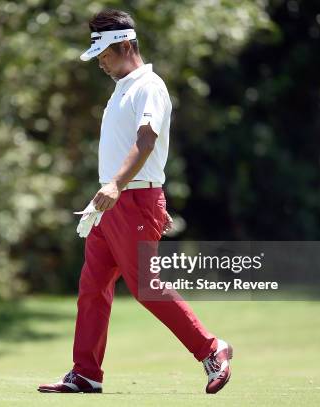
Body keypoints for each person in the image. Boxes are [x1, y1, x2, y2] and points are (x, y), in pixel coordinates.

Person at [38, 9, 232, 395]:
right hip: (111, 200)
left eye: (105, 56)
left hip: (135, 197)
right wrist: (108, 191)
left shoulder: (150, 86)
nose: (101, 65)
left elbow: (145, 142)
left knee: (146, 285)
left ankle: (212, 349)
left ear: (125, 45)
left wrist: (115, 185)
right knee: (92, 286)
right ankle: (86, 373)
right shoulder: (122, 86)